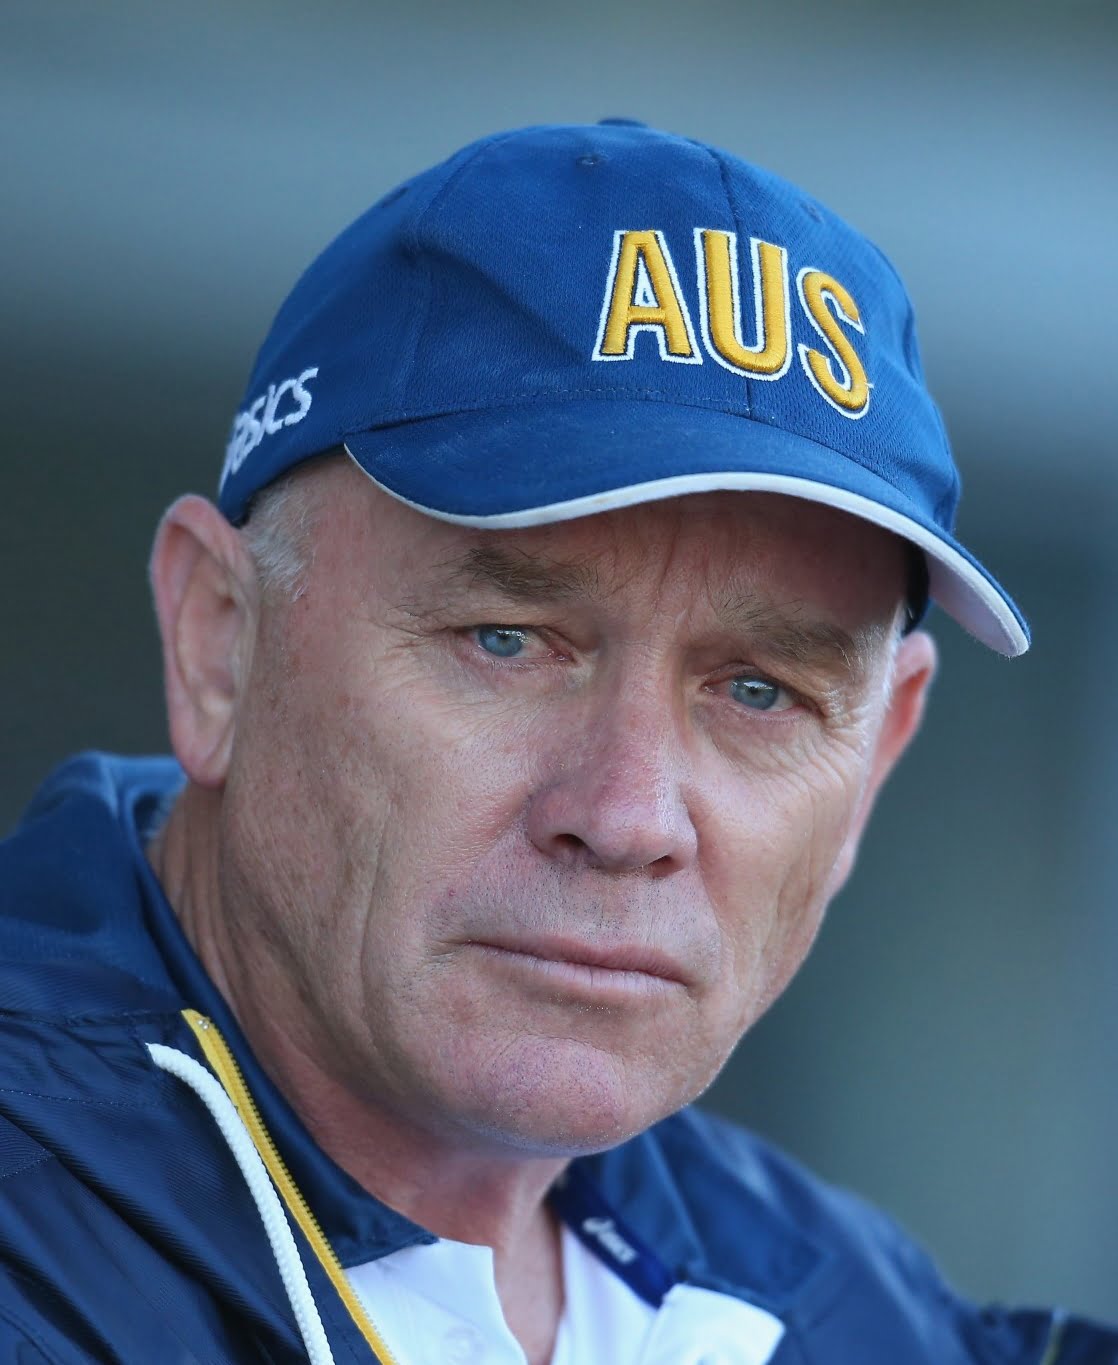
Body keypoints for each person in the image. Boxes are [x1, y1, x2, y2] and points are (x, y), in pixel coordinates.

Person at [0, 119, 1111, 1365]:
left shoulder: (834, 1303)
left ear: (872, 768)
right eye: (506, 641)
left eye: (757, 693)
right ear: (220, 643)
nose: (627, 816)